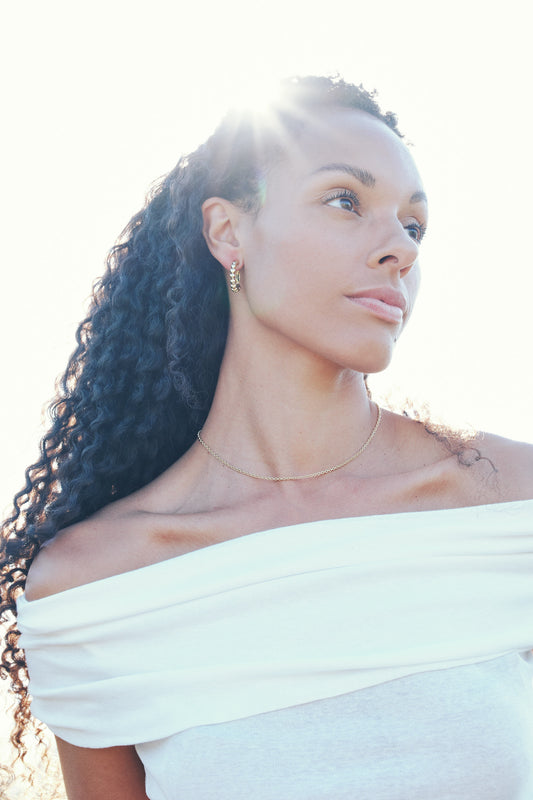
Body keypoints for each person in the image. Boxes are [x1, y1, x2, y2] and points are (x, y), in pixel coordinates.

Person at [1, 75, 533, 800]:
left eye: (413, 225)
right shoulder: (94, 588)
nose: (399, 251)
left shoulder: (508, 510)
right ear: (227, 232)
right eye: (344, 200)